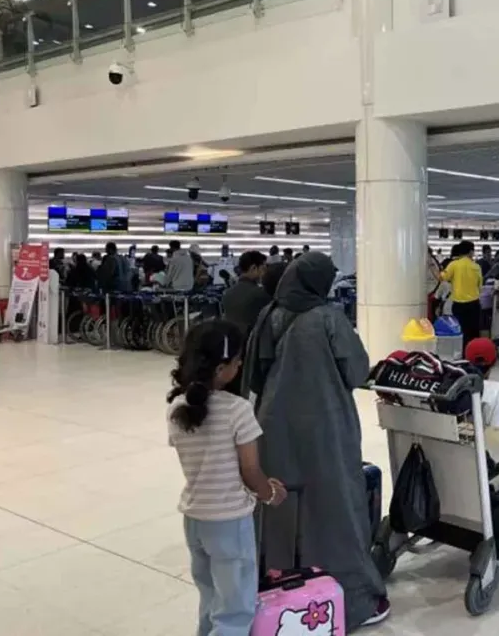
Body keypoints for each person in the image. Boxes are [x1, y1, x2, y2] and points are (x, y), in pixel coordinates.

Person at [242, 253, 390, 630]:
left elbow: (254, 376)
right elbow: (356, 371)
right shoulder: (328, 318)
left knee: (280, 505)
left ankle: (277, 591)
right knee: (334, 506)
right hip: (325, 427)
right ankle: (349, 597)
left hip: (273, 426)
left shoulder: (268, 315)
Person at [166, 320, 288, 636]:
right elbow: (250, 471)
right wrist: (270, 493)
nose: (240, 366)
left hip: (195, 517)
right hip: (229, 521)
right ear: (222, 368)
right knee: (235, 607)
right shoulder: (238, 410)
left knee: (210, 595)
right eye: (237, 361)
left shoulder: (177, 407)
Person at [441, 240, 483, 349]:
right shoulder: (476, 266)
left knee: (461, 331)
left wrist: (433, 267)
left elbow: (443, 277)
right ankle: (474, 352)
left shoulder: (454, 265)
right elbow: (479, 286)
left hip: (459, 305)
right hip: (474, 304)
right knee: (474, 331)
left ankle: (462, 352)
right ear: (470, 252)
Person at [222, 251, 271, 337]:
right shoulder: (260, 294)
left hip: (232, 341)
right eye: (263, 269)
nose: (264, 273)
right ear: (254, 268)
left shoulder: (227, 293)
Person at [426, 247, 441, 320]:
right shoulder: (432, 259)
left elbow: (437, 276)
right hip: (431, 289)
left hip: (430, 290)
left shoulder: (429, 260)